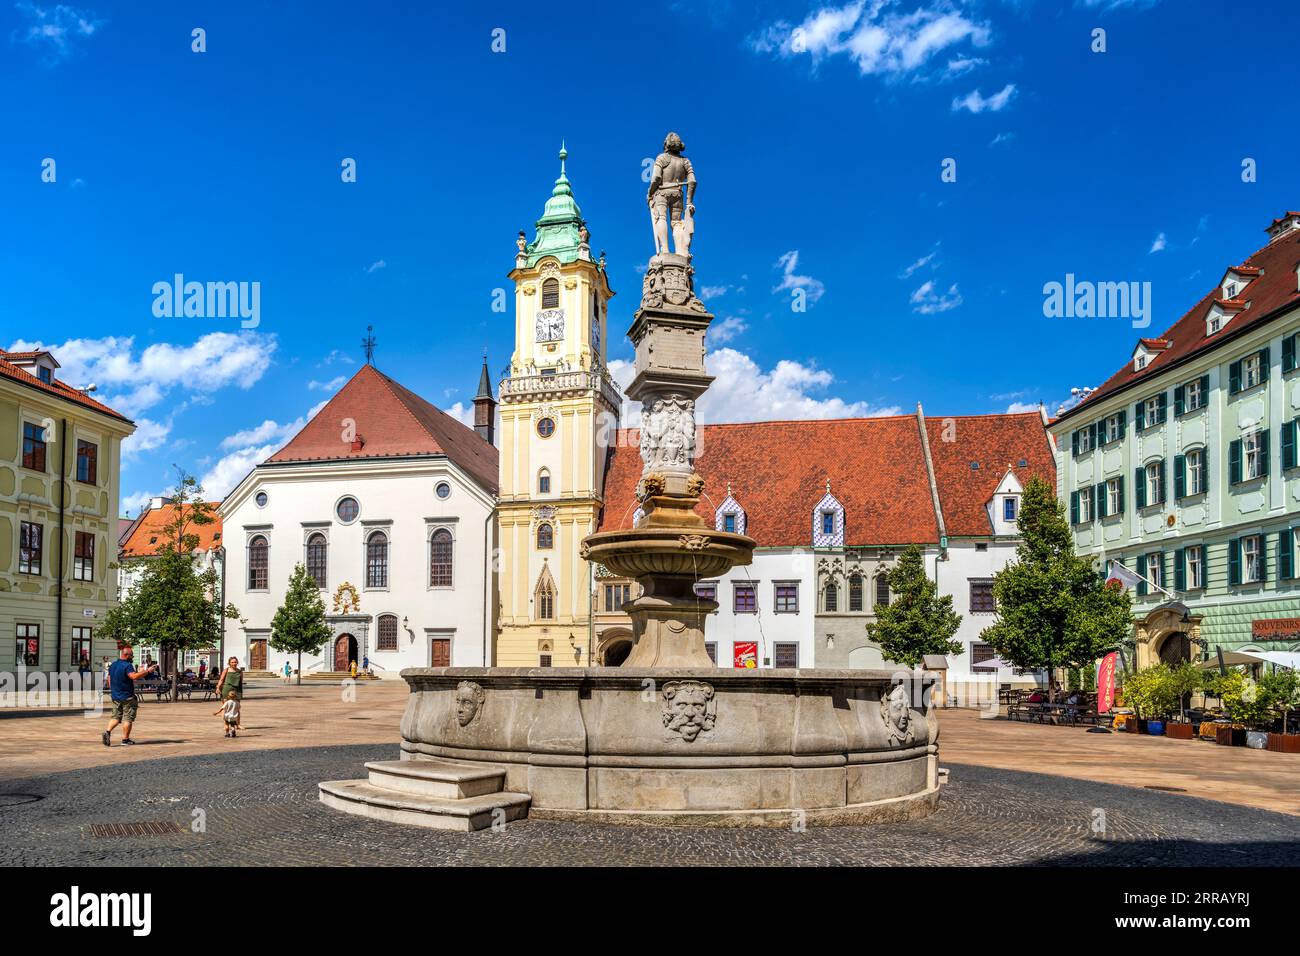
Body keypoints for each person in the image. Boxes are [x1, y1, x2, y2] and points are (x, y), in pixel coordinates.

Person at [102, 647, 157, 747]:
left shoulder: (113, 665)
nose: (133, 657)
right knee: (128, 718)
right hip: (127, 697)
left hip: (115, 696)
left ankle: (107, 732)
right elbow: (134, 676)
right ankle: (125, 739)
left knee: (115, 717)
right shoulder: (127, 665)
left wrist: (113, 690)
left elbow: (109, 679)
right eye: (132, 655)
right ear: (126, 655)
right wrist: (148, 671)